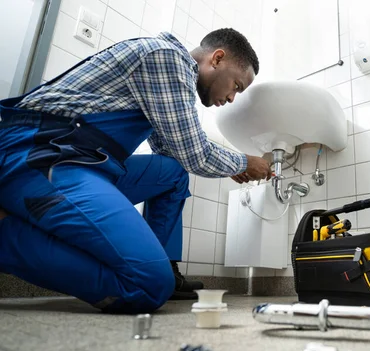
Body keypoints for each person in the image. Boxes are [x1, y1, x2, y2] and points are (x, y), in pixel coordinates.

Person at [0, 28, 271, 313]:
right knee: (149, 286)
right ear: (217, 59)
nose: (231, 98)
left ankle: (163, 265)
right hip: (38, 156)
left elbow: (173, 153)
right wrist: (244, 162)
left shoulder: (168, 73)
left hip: (86, 160)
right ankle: (7, 238)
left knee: (173, 173)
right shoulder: (169, 59)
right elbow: (195, 153)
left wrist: (222, 164)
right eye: (236, 86)